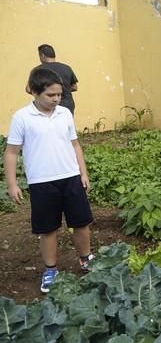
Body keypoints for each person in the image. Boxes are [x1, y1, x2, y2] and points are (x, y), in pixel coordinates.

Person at [4, 67, 94, 293]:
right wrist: (13, 184)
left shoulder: (64, 113)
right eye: (50, 95)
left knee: (81, 222)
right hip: (42, 182)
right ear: (34, 91)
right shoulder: (22, 118)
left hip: (71, 177)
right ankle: (51, 270)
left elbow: (75, 144)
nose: (56, 99)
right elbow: (12, 152)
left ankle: (86, 259)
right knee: (48, 229)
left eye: (59, 95)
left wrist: (83, 172)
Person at [30, 44, 79, 115]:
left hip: (47, 105)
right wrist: (62, 91)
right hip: (67, 105)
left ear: (42, 55)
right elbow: (75, 87)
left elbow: (28, 89)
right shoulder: (67, 68)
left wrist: (45, 93)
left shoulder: (38, 69)